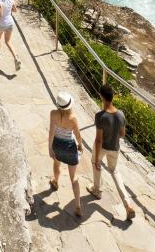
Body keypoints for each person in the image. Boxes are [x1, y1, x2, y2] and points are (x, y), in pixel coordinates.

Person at [88, 83, 136, 220]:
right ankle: (127, 203)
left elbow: (98, 140)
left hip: (102, 147)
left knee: (95, 164)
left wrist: (97, 158)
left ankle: (97, 190)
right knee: (114, 171)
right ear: (113, 96)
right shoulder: (121, 115)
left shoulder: (100, 116)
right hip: (114, 148)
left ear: (101, 97)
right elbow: (122, 134)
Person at [48, 91, 84, 219]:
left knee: (56, 163)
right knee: (73, 177)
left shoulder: (53, 114)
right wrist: (80, 145)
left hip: (57, 145)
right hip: (69, 147)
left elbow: (51, 132)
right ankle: (78, 206)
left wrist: (50, 148)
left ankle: (55, 181)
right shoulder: (73, 118)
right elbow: (78, 136)